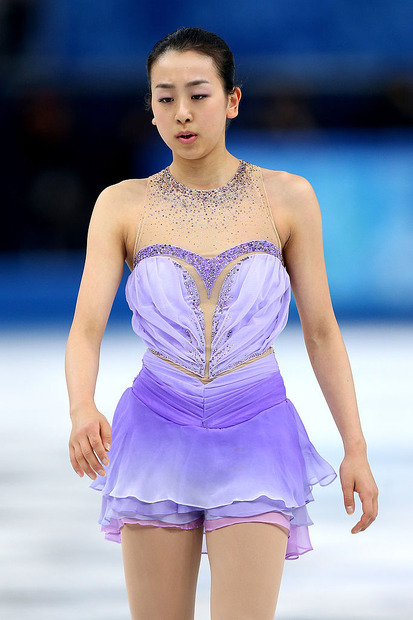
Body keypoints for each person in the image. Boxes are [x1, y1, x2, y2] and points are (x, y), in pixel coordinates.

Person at [65, 26, 379, 620]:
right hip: (157, 431)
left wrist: (355, 448)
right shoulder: (121, 204)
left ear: (232, 100)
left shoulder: (287, 198)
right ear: (151, 109)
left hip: (255, 433)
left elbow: (321, 330)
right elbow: (86, 327)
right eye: (165, 97)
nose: (182, 112)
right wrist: (82, 406)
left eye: (199, 94)